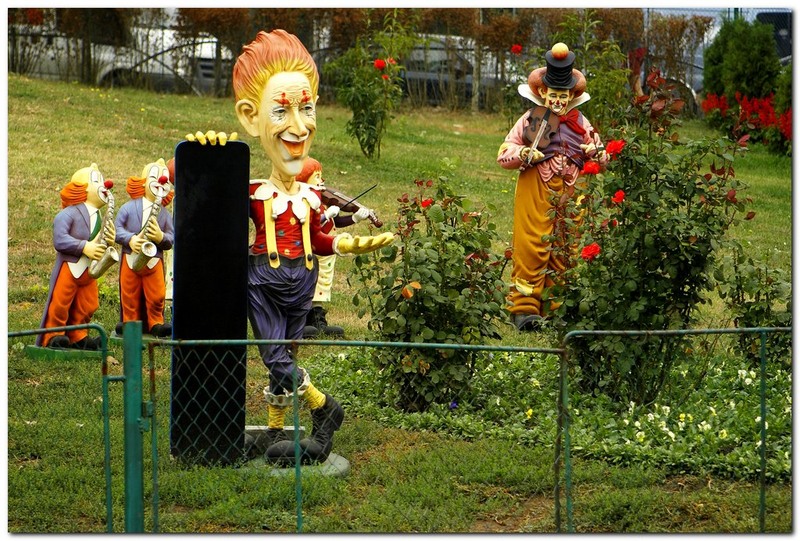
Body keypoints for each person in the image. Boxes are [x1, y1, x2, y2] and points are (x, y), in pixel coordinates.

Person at [190, 29, 394, 464]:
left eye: (307, 108)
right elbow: (192, 190)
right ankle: (324, 407)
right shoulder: (253, 192)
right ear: (250, 117)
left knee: (283, 354)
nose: (299, 127)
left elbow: (319, 236)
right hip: (263, 279)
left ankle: (275, 429)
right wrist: (206, 155)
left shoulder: (311, 196)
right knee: (274, 354)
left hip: (302, 280)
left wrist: (348, 243)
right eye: (282, 110)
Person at [497, 42, 606, 331]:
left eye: (563, 95)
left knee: (565, 245)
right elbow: (504, 151)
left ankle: (558, 305)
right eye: (553, 95)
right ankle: (524, 307)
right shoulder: (531, 119)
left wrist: (595, 152)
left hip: (570, 190)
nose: (558, 101)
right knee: (531, 245)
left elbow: (601, 153)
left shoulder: (582, 122)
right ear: (543, 93)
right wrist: (523, 152)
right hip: (537, 188)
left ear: (572, 95)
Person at [37, 164, 116, 349]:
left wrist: (109, 240)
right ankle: (54, 335)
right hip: (70, 267)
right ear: (83, 188)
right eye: (96, 180)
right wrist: (84, 247)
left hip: (89, 269)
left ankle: (78, 335)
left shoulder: (99, 216)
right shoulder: (68, 214)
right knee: (61, 302)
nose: (105, 184)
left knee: (88, 303)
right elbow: (60, 240)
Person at [295, 157, 374, 338]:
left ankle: (317, 319)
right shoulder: (303, 202)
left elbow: (336, 222)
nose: (321, 180)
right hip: (310, 251)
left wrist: (355, 218)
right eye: (316, 177)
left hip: (327, 253)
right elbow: (307, 226)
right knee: (306, 283)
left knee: (322, 284)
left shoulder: (322, 201)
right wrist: (325, 216)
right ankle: (299, 321)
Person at [114, 158, 175, 337]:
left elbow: (171, 238)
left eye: (165, 180)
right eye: (155, 177)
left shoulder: (165, 215)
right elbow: (117, 230)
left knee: (157, 294)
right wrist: (131, 239)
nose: (161, 182)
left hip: (153, 261)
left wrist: (160, 237)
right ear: (144, 182)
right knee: (129, 292)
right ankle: (130, 321)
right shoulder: (128, 208)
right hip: (131, 258)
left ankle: (156, 322)